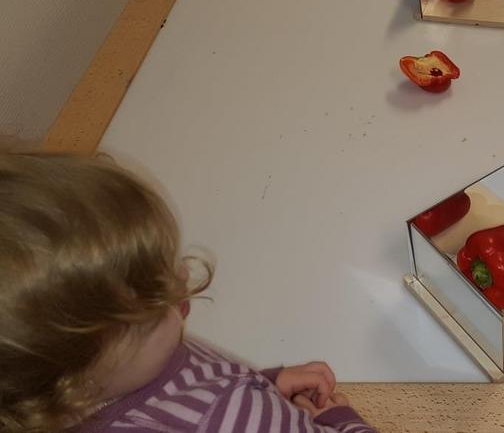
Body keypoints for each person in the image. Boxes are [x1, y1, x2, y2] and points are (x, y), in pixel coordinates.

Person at [0, 152, 376, 432]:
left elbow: (179, 398)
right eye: (156, 303)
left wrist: (265, 383)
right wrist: (341, 422)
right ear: (72, 381)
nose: (182, 282)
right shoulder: (224, 414)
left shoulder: (56, 396)